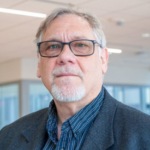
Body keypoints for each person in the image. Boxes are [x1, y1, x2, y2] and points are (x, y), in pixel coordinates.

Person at [0, 8, 150, 150]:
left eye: (80, 45)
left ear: (103, 60)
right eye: (53, 46)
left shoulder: (145, 135)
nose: (65, 57)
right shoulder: (7, 137)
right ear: (39, 65)